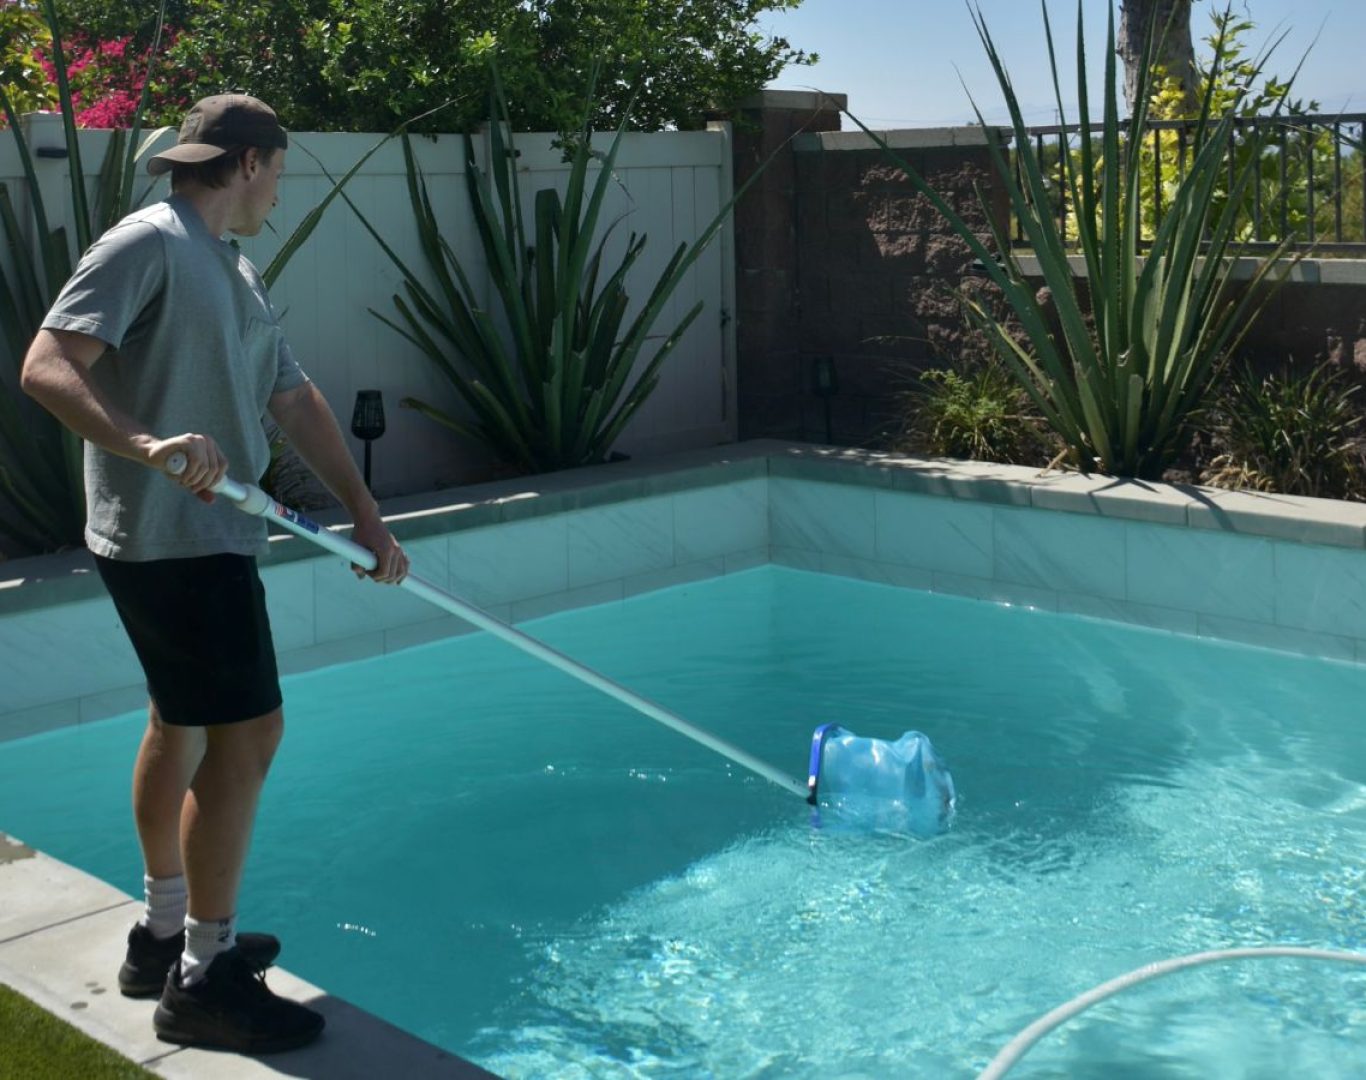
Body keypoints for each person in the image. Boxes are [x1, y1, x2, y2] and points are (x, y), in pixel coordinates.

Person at [20, 93, 409, 1054]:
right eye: (278, 171)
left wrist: (362, 514)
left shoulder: (230, 266)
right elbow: (45, 364)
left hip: (199, 540)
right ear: (246, 163)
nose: (278, 190)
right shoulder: (147, 243)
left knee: (183, 725)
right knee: (249, 738)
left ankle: (161, 938)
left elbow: (293, 394)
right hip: (175, 539)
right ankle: (205, 977)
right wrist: (148, 444)